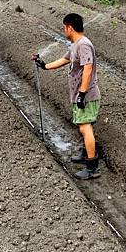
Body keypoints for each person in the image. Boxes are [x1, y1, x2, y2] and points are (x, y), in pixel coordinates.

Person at [33, 13, 101, 180]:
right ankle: (86, 153)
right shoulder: (75, 45)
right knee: (83, 126)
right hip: (80, 93)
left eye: (64, 27)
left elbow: (88, 68)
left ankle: (92, 167)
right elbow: (63, 60)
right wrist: (44, 65)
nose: (64, 30)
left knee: (85, 127)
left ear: (70, 27)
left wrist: (82, 94)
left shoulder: (83, 45)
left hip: (87, 94)